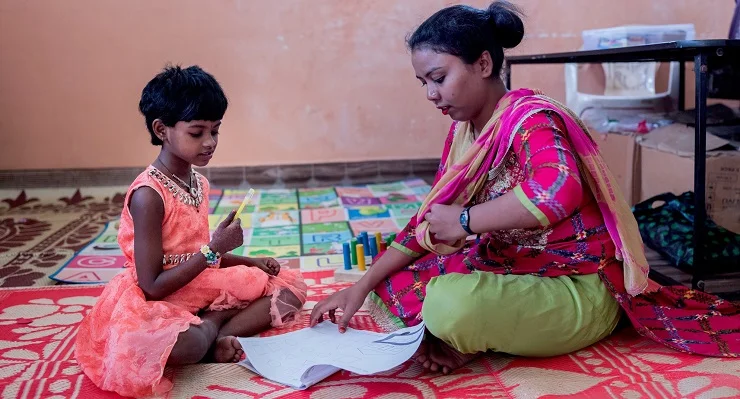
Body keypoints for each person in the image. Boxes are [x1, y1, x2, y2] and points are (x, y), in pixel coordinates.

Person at [311, 1, 739, 375]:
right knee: (393, 283)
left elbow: (558, 191)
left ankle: (480, 333)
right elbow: (425, 226)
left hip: (575, 284)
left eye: (438, 78)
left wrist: (465, 220)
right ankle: (475, 337)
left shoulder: (532, 118)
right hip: (513, 266)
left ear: (482, 64)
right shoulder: (464, 133)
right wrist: (361, 286)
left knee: (448, 305)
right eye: (423, 82)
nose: (430, 94)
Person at [75, 65, 308, 398]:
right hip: (159, 296)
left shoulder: (197, 182)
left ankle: (212, 330)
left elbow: (194, 249)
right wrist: (215, 250)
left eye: (216, 130)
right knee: (187, 343)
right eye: (197, 132)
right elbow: (152, 285)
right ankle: (212, 330)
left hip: (197, 282)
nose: (210, 142)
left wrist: (248, 260)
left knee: (290, 289)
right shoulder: (148, 196)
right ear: (162, 129)